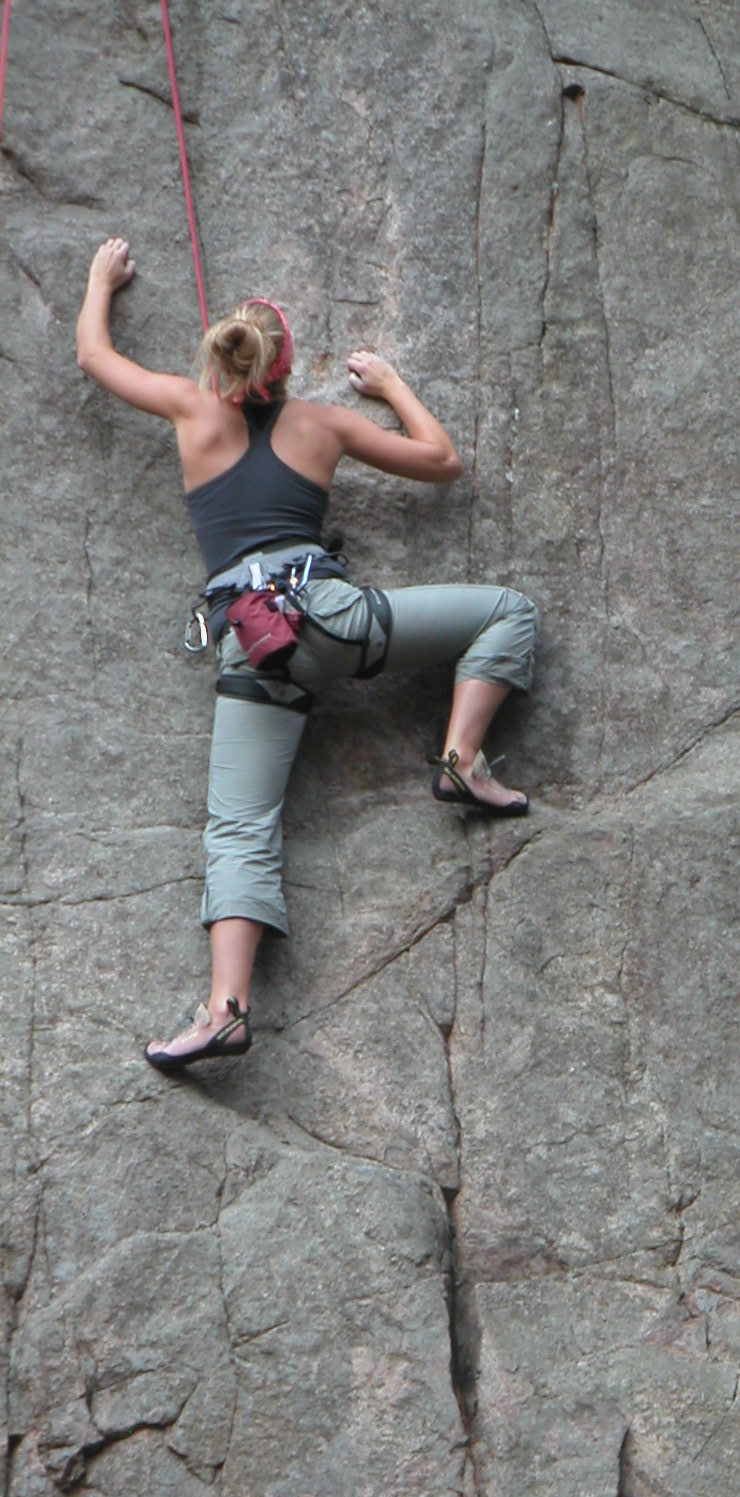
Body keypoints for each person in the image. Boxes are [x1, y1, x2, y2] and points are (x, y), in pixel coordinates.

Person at [76, 238, 539, 1070]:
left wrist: (100, 281)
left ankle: (225, 1010)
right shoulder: (322, 424)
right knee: (508, 612)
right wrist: (390, 384)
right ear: (284, 369)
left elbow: (93, 356)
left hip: (257, 646)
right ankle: (461, 759)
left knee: (240, 825)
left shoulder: (189, 408)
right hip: (335, 621)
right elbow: (442, 462)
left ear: (223, 360)